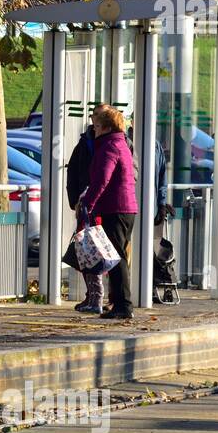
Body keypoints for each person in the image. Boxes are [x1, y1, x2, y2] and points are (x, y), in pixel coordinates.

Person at [77, 104, 138, 320]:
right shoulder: (119, 143)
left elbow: (102, 179)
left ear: (105, 127)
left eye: (96, 126)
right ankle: (120, 304)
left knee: (116, 257)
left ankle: (123, 306)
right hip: (124, 207)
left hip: (115, 207)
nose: (94, 130)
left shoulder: (109, 146)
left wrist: (88, 202)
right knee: (117, 255)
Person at [65, 125, 105, 314]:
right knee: (87, 250)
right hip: (87, 205)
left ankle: (97, 296)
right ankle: (93, 295)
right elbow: (73, 173)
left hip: (99, 206)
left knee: (94, 251)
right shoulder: (84, 145)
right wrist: (75, 201)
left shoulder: (107, 145)